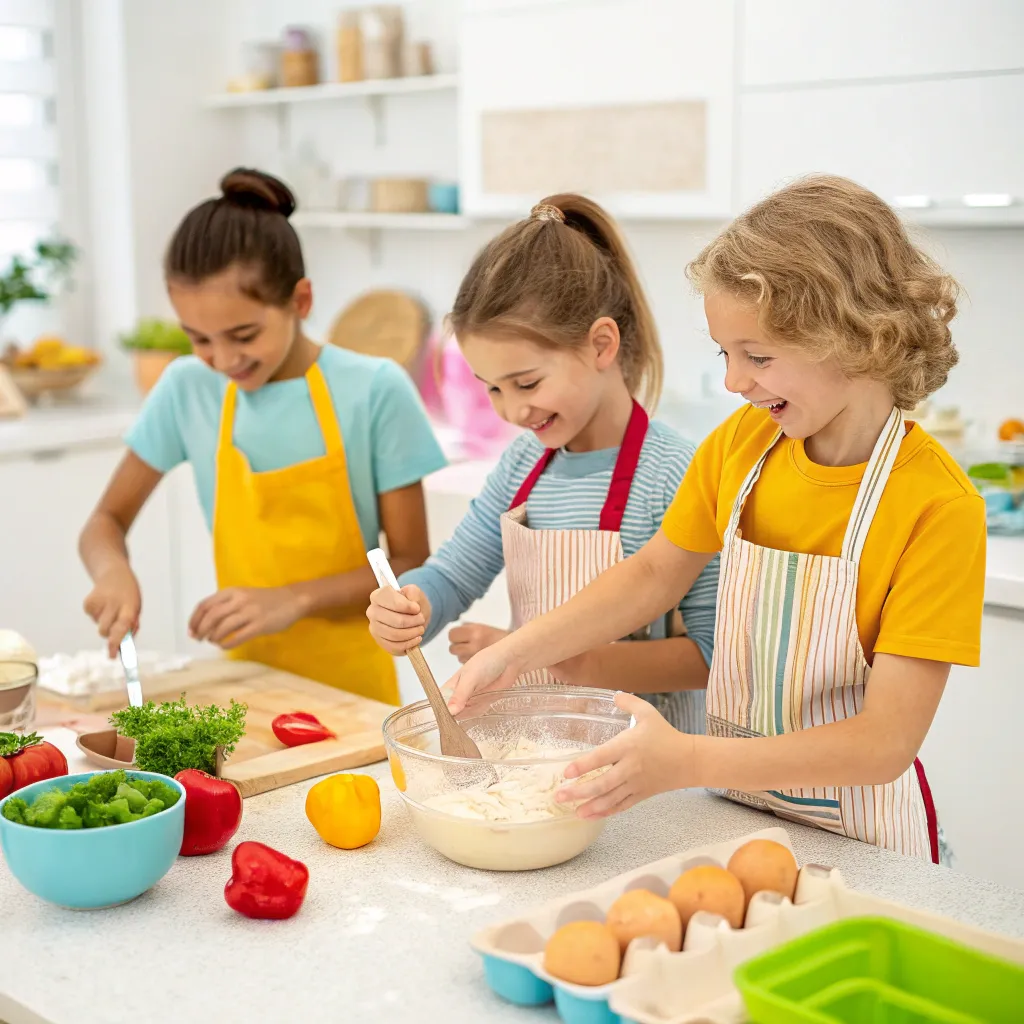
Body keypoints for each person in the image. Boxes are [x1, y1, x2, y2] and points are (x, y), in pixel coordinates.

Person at [442, 176, 985, 862]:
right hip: (735, 819)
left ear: (856, 338)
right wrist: (515, 654)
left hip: (867, 841)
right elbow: (652, 575)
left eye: (757, 356)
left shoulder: (936, 508)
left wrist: (688, 760)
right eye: (725, 353)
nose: (734, 382)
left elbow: (884, 744)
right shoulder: (741, 447)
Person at [80, 168, 446, 704]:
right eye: (199, 338)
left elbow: (412, 564)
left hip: (358, 691)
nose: (223, 359)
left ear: (300, 301)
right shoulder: (188, 388)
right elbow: (103, 523)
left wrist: (292, 600)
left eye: (244, 335)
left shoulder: (374, 389)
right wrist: (113, 572)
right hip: (244, 690)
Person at [366, 195, 719, 731]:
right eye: (492, 389)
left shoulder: (673, 473)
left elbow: (710, 659)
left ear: (601, 344)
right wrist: (413, 605)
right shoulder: (524, 464)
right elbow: (452, 575)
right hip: (539, 751)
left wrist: (541, 656)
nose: (512, 410)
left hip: (651, 767)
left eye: (527, 383)